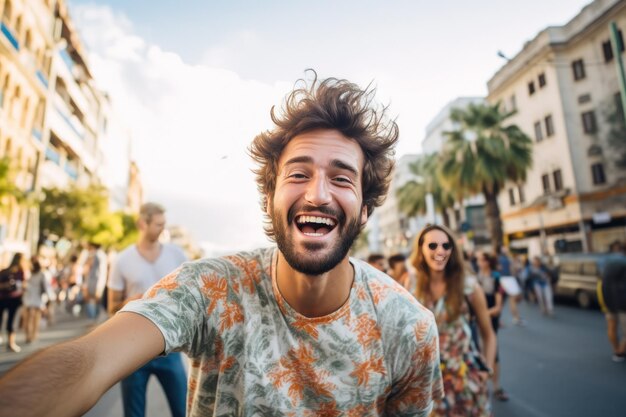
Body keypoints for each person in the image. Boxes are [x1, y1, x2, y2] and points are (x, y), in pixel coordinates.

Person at [0, 74, 444, 417]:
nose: (317, 194)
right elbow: (91, 358)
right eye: (298, 174)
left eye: (342, 178)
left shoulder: (410, 329)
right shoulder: (211, 289)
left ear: (365, 209)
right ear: (270, 198)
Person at [107, 202, 188, 417]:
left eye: (164, 224)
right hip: (132, 352)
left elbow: (190, 298)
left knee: (185, 411)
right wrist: (128, 302)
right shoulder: (122, 260)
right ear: (143, 224)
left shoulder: (177, 255)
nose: (163, 229)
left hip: (170, 348)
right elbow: (110, 306)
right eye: (158, 224)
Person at [410, 224, 496, 417]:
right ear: (421, 250)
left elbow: (488, 334)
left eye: (446, 246)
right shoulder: (412, 286)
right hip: (428, 382)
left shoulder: (469, 287)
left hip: (466, 378)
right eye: (432, 246)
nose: (440, 251)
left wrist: (486, 372)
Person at [476, 251, 508, 402]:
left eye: (481, 260)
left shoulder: (495, 277)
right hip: (478, 318)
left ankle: (496, 387)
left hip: (489, 318)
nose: (478, 263)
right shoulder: (476, 277)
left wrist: (483, 314)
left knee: (493, 353)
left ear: (487, 261)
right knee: (478, 352)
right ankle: (482, 386)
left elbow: (498, 307)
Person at [598, 240, 626, 362]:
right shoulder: (624, 262)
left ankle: (616, 350)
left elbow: (600, 280)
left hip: (607, 298)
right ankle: (621, 351)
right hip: (623, 301)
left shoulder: (604, 261)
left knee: (612, 326)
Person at [0, 253, 29, 352]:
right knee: (11, 321)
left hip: (4, 298)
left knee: (6, 320)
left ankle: (11, 343)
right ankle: (11, 343)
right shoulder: (19, 272)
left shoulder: (5, 271)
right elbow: (24, 286)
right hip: (13, 299)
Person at [21, 257, 53, 344]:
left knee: (28, 319)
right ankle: (33, 335)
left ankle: (28, 335)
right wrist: (49, 298)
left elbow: (23, 286)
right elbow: (46, 287)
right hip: (37, 299)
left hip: (28, 298)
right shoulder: (41, 275)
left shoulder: (29, 274)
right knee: (35, 319)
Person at [82, 242, 108, 321]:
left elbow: (102, 271)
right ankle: (94, 319)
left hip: (96, 282)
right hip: (94, 281)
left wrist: (99, 286)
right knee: (93, 300)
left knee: (96, 300)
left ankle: (95, 320)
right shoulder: (96, 255)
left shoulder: (99, 255)